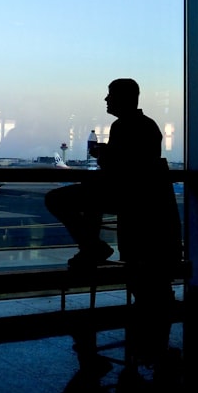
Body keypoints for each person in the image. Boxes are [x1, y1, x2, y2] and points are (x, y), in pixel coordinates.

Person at [45, 78, 164, 269]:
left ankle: (92, 247)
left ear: (124, 98)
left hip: (124, 194)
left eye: (111, 94)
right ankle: (91, 247)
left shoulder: (123, 126)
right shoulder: (147, 125)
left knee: (55, 199)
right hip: (138, 197)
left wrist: (103, 154)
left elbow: (120, 169)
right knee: (91, 201)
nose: (106, 99)